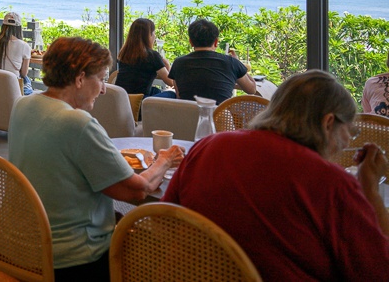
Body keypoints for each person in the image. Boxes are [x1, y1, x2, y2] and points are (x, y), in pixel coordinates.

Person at [163, 70, 389, 280]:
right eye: (350, 131)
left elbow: (163, 221)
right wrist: (370, 191)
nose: (348, 141)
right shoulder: (331, 184)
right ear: (328, 122)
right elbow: (377, 271)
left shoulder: (208, 147)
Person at [8, 36, 184, 281]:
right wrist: (164, 159)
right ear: (80, 78)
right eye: (101, 79)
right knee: (165, 250)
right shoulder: (77, 124)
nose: (103, 89)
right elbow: (137, 191)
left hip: (12, 246)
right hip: (64, 260)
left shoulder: (22, 105)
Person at [168, 18, 257, 104]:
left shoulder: (178, 63)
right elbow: (251, 89)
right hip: (219, 117)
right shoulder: (231, 62)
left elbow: (179, 96)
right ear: (216, 42)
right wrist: (239, 64)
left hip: (187, 117)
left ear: (191, 42)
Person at [115, 17, 174, 98]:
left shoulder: (124, 53)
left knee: (155, 90)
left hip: (122, 99)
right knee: (172, 94)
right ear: (149, 36)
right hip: (138, 101)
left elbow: (137, 74)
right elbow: (171, 83)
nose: (155, 36)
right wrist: (167, 65)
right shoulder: (152, 56)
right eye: (153, 33)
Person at [0, 12, 33, 95]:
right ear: (19, 28)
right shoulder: (24, 46)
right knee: (27, 81)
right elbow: (24, 73)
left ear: (3, 26)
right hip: (12, 90)